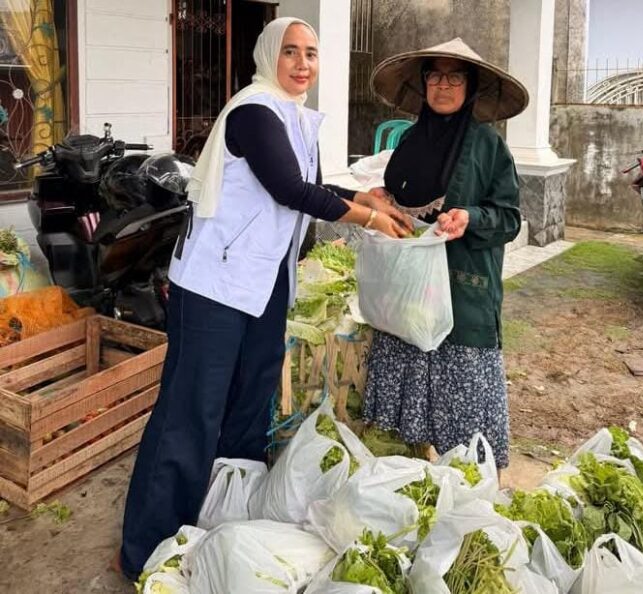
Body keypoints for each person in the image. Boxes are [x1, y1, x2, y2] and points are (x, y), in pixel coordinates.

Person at [117, 16, 410, 580]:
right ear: (268, 55)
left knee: (249, 403)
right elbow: (288, 188)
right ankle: (144, 549)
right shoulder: (254, 110)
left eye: (312, 53)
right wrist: (368, 217)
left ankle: (222, 521)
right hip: (216, 284)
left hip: (265, 282)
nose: (302, 63)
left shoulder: (295, 116)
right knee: (192, 411)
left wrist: (367, 198)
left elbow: (310, 187)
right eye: (290, 52)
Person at [362, 38, 529, 470]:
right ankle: (412, 478)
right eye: (434, 75)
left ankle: (468, 491)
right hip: (408, 295)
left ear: (470, 86)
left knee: (465, 432)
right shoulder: (410, 140)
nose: (443, 85)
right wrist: (384, 199)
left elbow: (509, 218)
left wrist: (470, 218)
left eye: (455, 77)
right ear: (423, 83)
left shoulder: (489, 146)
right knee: (405, 425)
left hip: (462, 294)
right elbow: (400, 198)